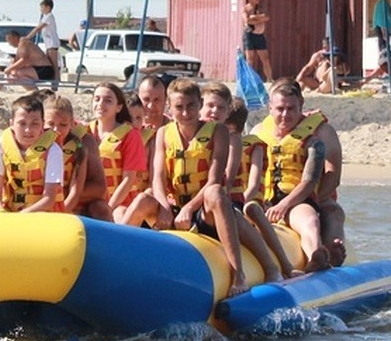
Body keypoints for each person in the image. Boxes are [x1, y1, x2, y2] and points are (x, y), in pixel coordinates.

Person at [130, 78, 250, 295]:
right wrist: (164, 206)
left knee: (215, 192)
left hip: (203, 212)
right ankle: (118, 260)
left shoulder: (218, 131)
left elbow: (214, 178)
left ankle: (238, 273)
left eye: (191, 106)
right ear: (169, 107)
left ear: (199, 104)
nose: (185, 112)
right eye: (179, 107)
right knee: (142, 199)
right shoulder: (163, 134)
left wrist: (189, 209)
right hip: (173, 210)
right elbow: (158, 177)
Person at [202, 84, 293, 282]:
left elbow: (248, 183)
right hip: (209, 202)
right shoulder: (197, 136)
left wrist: (244, 199)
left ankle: (280, 265)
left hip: (238, 201)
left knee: (250, 209)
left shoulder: (240, 142)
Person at [251, 80, 340, 271]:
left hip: (303, 198)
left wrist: (315, 201)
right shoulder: (258, 132)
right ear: (270, 107)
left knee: (326, 214)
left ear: (301, 105)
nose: (285, 115)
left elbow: (332, 175)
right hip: (263, 201)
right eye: (280, 108)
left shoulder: (320, 134)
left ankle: (319, 257)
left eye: (291, 108)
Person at [0, 92, 64, 213]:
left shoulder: (53, 150)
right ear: (11, 124)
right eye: (22, 124)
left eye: (35, 124)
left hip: (41, 211)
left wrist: (22, 216)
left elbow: (49, 198)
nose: (28, 130)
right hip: (9, 209)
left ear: (43, 124)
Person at [44, 94, 113, 219]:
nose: (56, 130)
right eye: (51, 124)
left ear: (72, 123)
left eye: (63, 125)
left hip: (74, 202)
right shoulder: (32, 141)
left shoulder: (83, 144)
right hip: (40, 200)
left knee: (100, 209)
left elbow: (100, 188)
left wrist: (58, 197)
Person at [88, 82, 148, 221]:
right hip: (92, 202)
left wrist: (108, 208)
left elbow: (129, 179)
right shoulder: (85, 132)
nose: (101, 104)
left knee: (119, 216)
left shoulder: (130, 135)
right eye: (97, 99)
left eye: (108, 101)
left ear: (119, 107)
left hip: (121, 203)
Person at [241, 0, 273, 82]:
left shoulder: (261, 7)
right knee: (250, 59)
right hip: (249, 35)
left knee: (265, 58)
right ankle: (248, 79)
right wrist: (258, 18)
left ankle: (269, 78)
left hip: (259, 35)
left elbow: (266, 17)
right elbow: (247, 20)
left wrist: (254, 17)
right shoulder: (245, 9)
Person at [31, 0, 61, 84]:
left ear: (48, 7)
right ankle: (54, 80)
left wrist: (28, 37)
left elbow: (38, 28)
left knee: (54, 64)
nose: (41, 9)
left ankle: (56, 82)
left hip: (52, 44)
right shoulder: (45, 17)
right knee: (51, 63)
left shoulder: (49, 17)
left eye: (42, 7)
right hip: (49, 44)